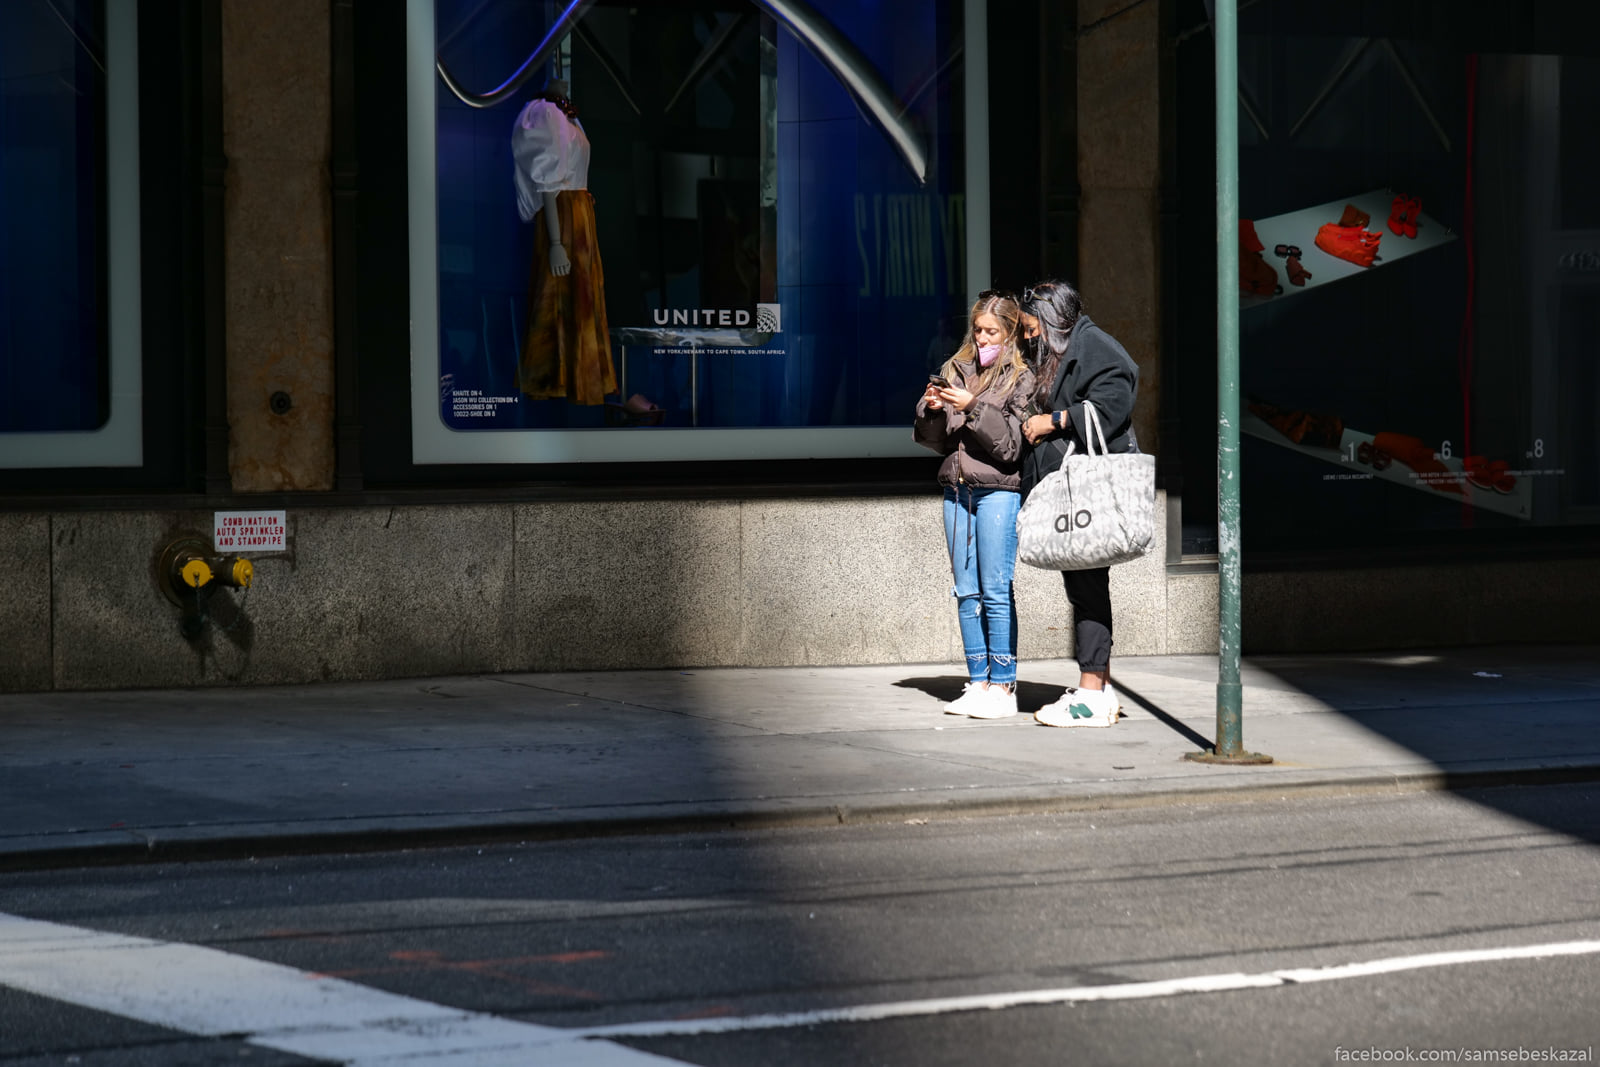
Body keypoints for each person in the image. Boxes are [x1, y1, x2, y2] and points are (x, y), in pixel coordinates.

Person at [1017, 280, 1140, 728]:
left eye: (1032, 328)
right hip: (1073, 490)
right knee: (1084, 588)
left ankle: (1090, 695)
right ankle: (1099, 688)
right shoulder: (1069, 348)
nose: (1028, 336)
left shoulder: (1094, 347)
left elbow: (1114, 402)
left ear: (1052, 321)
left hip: (1088, 489)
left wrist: (1054, 420)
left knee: (1087, 589)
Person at [915, 292, 1036, 718]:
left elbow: (1011, 446)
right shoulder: (957, 369)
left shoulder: (1022, 378)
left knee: (995, 589)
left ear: (1010, 333)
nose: (982, 338)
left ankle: (1003, 686)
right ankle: (978, 681)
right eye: (978, 330)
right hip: (957, 490)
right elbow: (935, 441)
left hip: (999, 491)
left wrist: (973, 407)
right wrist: (932, 409)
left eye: (992, 332)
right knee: (966, 592)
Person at [512, 77, 616, 406]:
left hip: (579, 212)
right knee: (559, 293)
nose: (565, 81)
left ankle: (578, 377)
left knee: (582, 294)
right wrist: (556, 242)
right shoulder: (543, 112)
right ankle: (553, 379)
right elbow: (547, 182)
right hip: (564, 214)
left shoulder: (564, 114)